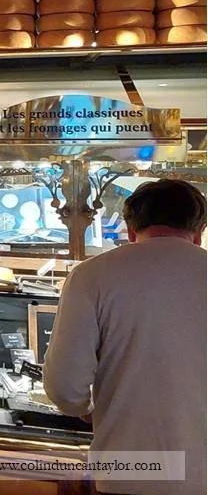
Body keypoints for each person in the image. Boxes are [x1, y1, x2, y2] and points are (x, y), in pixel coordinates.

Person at [45, 178, 206, 495]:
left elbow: (64, 387)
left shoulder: (91, 276)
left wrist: (85, 409)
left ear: (131, 232)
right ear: (199, 233)